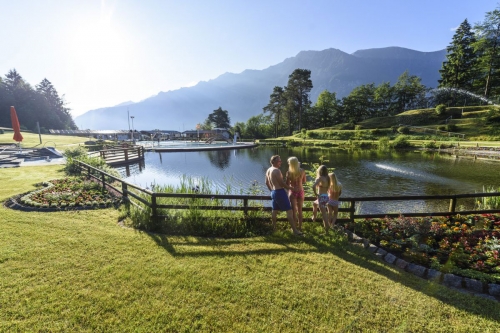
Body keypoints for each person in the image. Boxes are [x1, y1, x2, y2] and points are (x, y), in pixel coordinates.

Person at [265, 155, 303, 236]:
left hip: (274, 192)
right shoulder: (277, 171)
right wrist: (292, 189)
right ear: (274, 161)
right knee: (289, 211)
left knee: (274, 211)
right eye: (279, 161)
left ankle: (274, 228)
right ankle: (295, 231)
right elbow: (282, 184)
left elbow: (266, 182)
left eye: (280, 161)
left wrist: (271, 191)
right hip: (279, 192)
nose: (280, 162)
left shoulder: (269, 170)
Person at [285, 156, 306, 232]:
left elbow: (287, 184)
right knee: (300, 210)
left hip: (293, 192)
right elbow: (304, 181)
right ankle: (300, 227)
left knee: (294, 211)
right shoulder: (302, 171)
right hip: (300, 191)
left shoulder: (289, 172)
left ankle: (295, 228)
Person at [312, 165, 331, 232]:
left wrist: (315, 194)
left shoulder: (320, 178)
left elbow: (313, 186)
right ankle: (314, 217)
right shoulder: (328, 178)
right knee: (314, 203)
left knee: (324, 213)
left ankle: (327, 227)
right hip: (326, 196)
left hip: (321, 197)